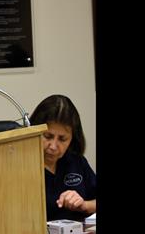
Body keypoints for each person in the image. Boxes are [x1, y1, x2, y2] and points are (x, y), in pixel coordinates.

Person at [29, 94, 96, 222]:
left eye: (62, 139)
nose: (53, 146)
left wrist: (84, 206)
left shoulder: (76, 161)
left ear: (72, 138)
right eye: (47, 136)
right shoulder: (20, 166)